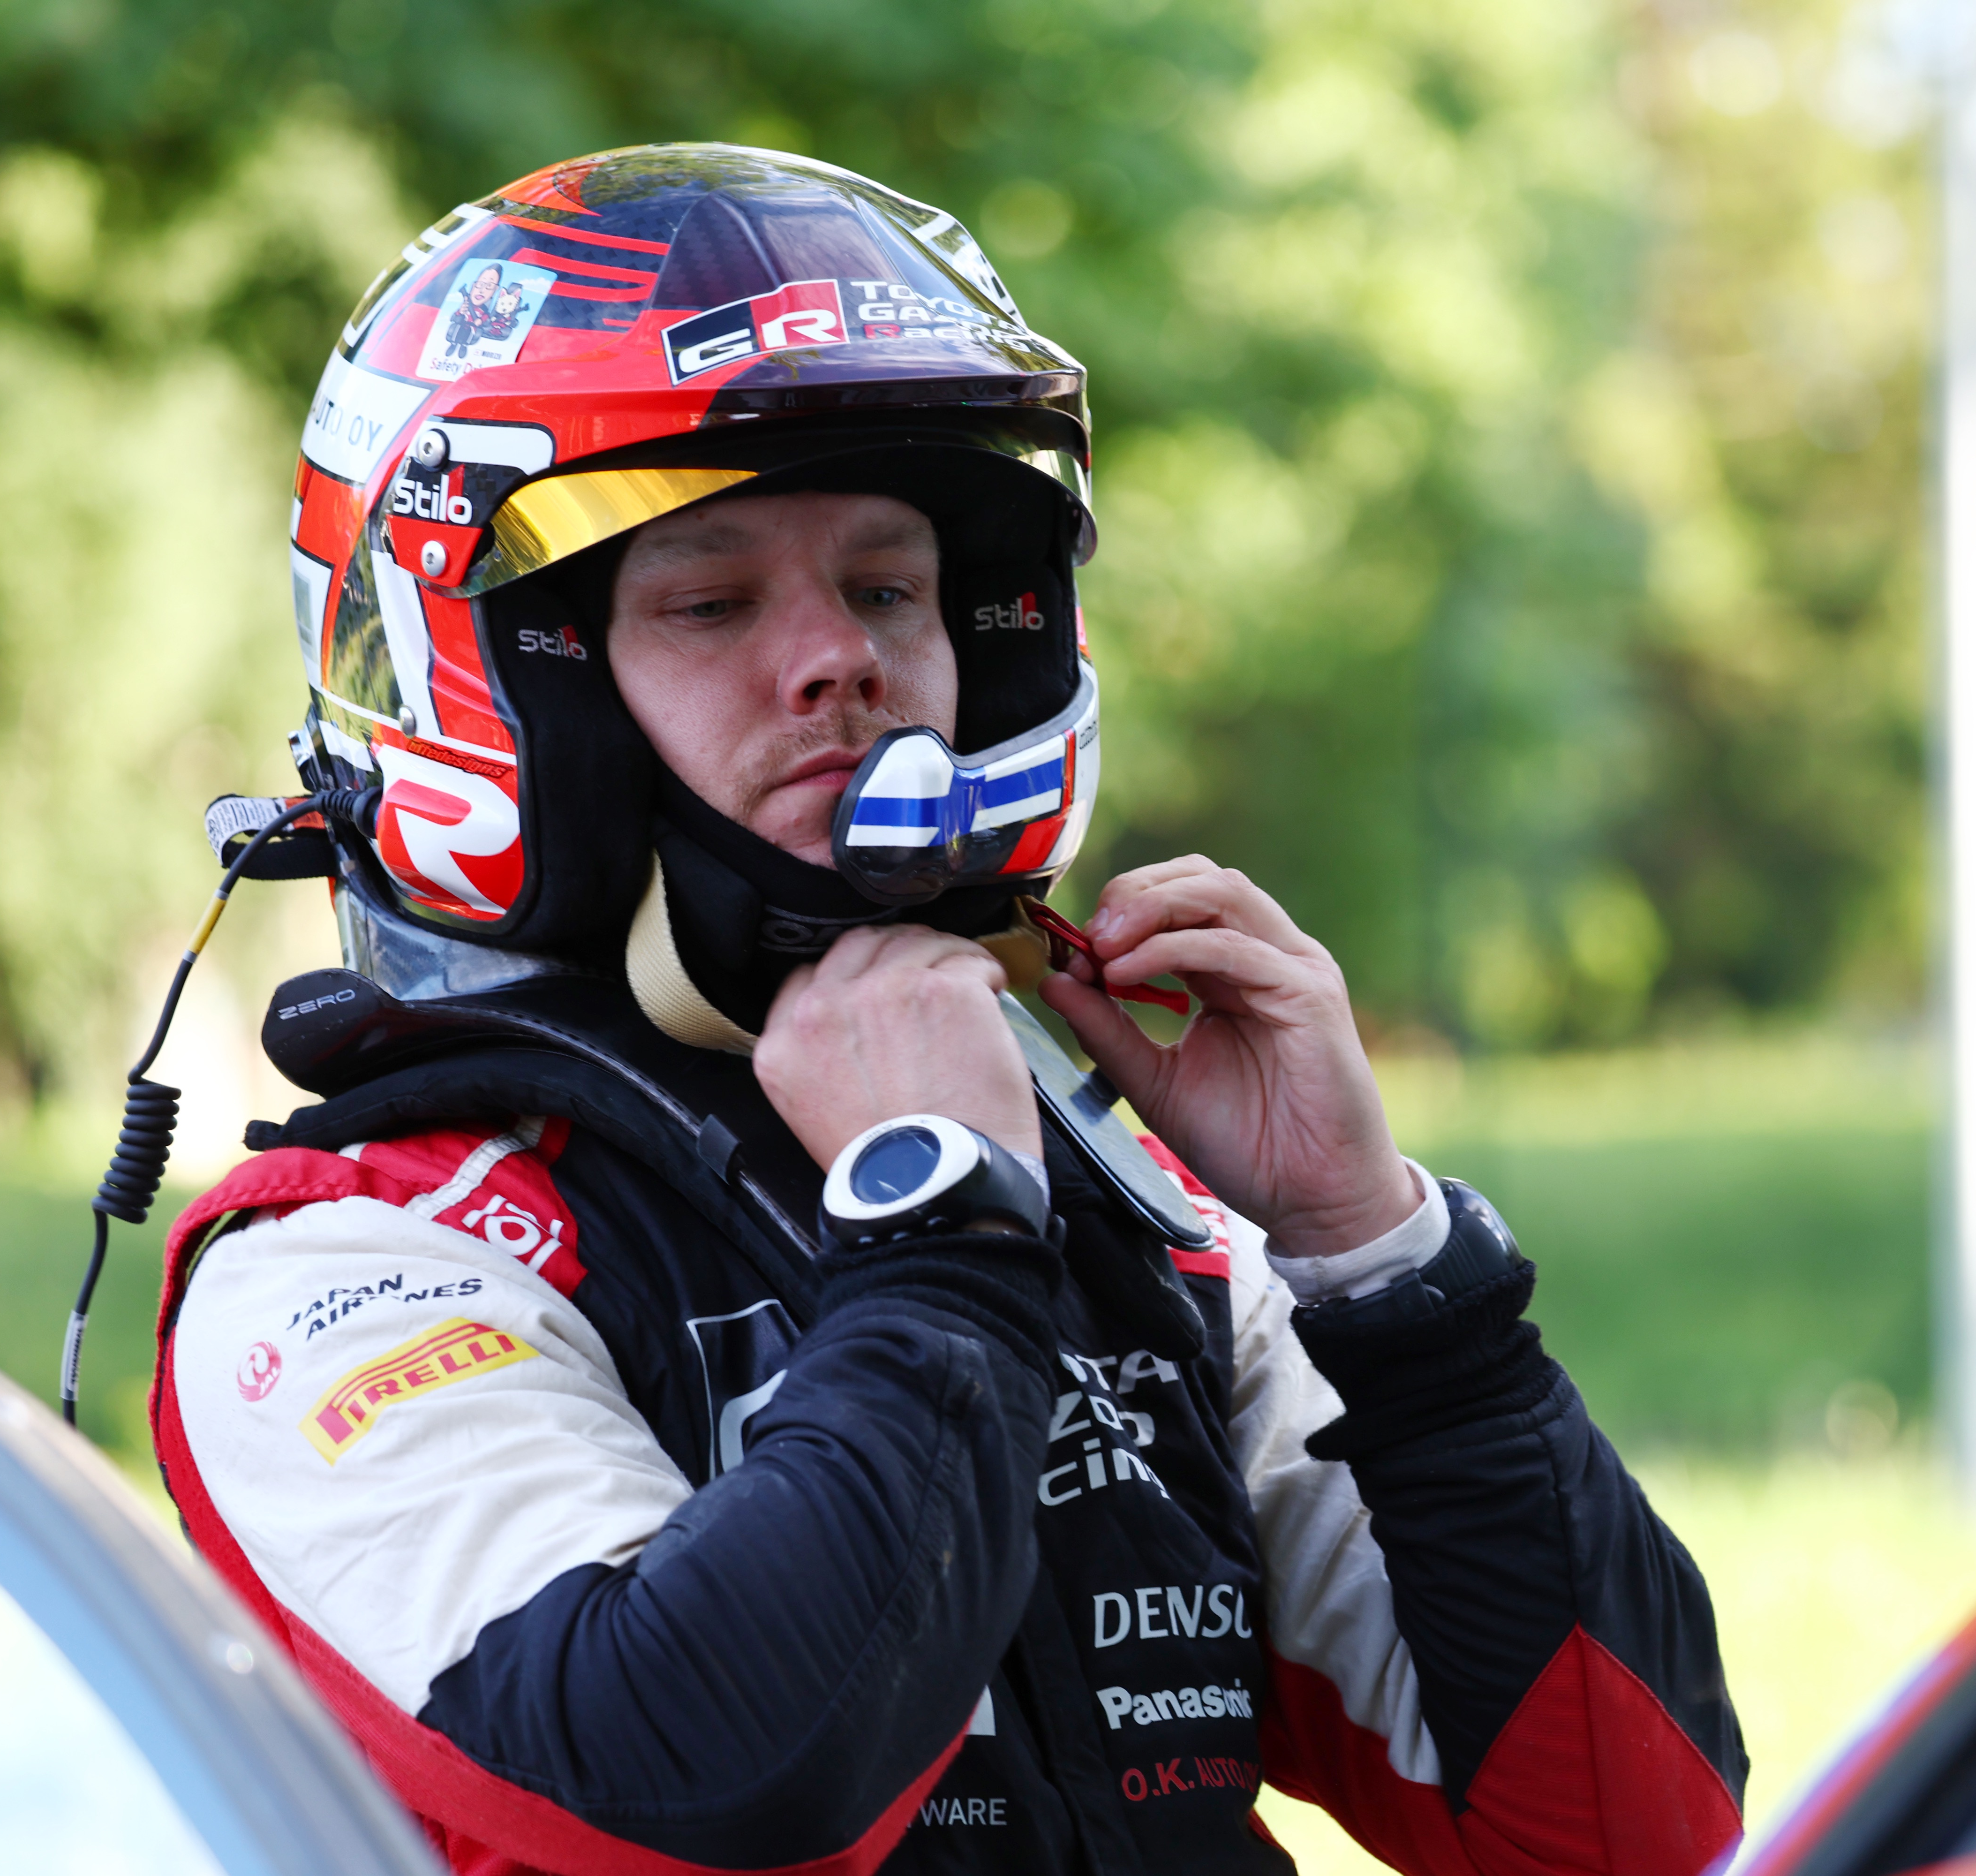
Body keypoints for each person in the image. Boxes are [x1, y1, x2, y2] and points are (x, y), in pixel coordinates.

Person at [154, 144, 1743, 1876]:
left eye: (889, 587)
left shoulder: (1125, 1218)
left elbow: (1621, 1828)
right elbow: (706, 1786)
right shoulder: (348, 1271)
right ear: (513, 680)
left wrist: (1381, 1261)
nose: (842, 660)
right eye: (711, 601)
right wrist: (942, 1233)